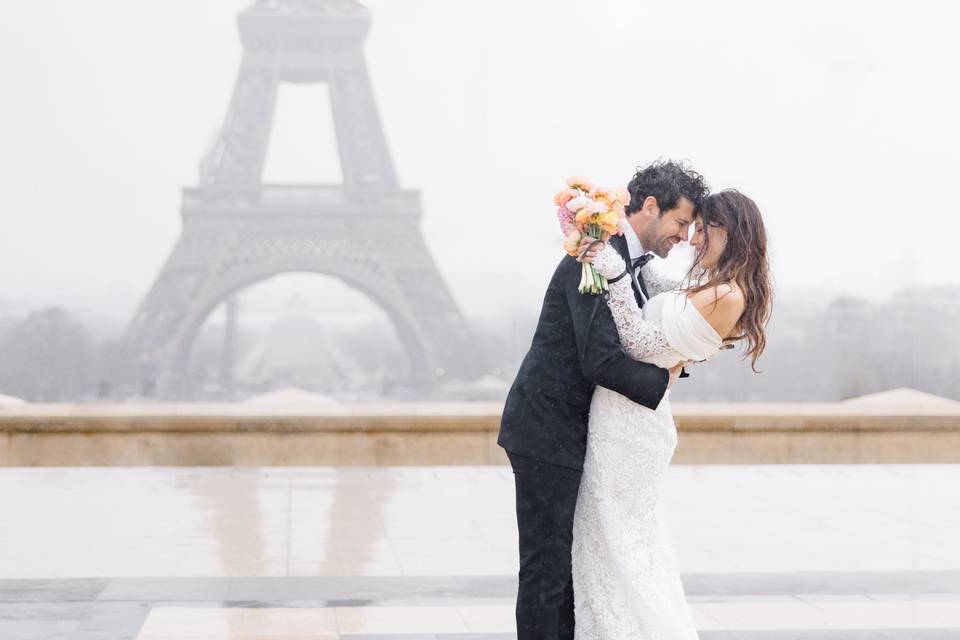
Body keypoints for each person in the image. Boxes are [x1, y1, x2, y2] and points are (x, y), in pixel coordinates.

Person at [498, 160, 710, 640]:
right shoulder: (591, 253)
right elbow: (600, 359)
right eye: (680, 222)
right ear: (650, 207)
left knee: (567, 567)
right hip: (546, 429)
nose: (682, 236)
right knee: (546, 568)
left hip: (577, 432)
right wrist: (667, 378)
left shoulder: (634, 265)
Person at [572, 188, 773, 638]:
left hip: (630, 428)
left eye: (703, 230)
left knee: (616, 544)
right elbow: (659, 301)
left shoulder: (727, 296)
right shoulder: (713, 287)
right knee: (614, 543)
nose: (694, 239)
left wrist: (615, 273)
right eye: (692, 227)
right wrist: (623, 254)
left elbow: (640, 343)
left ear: (732, 232)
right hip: (625, 417)